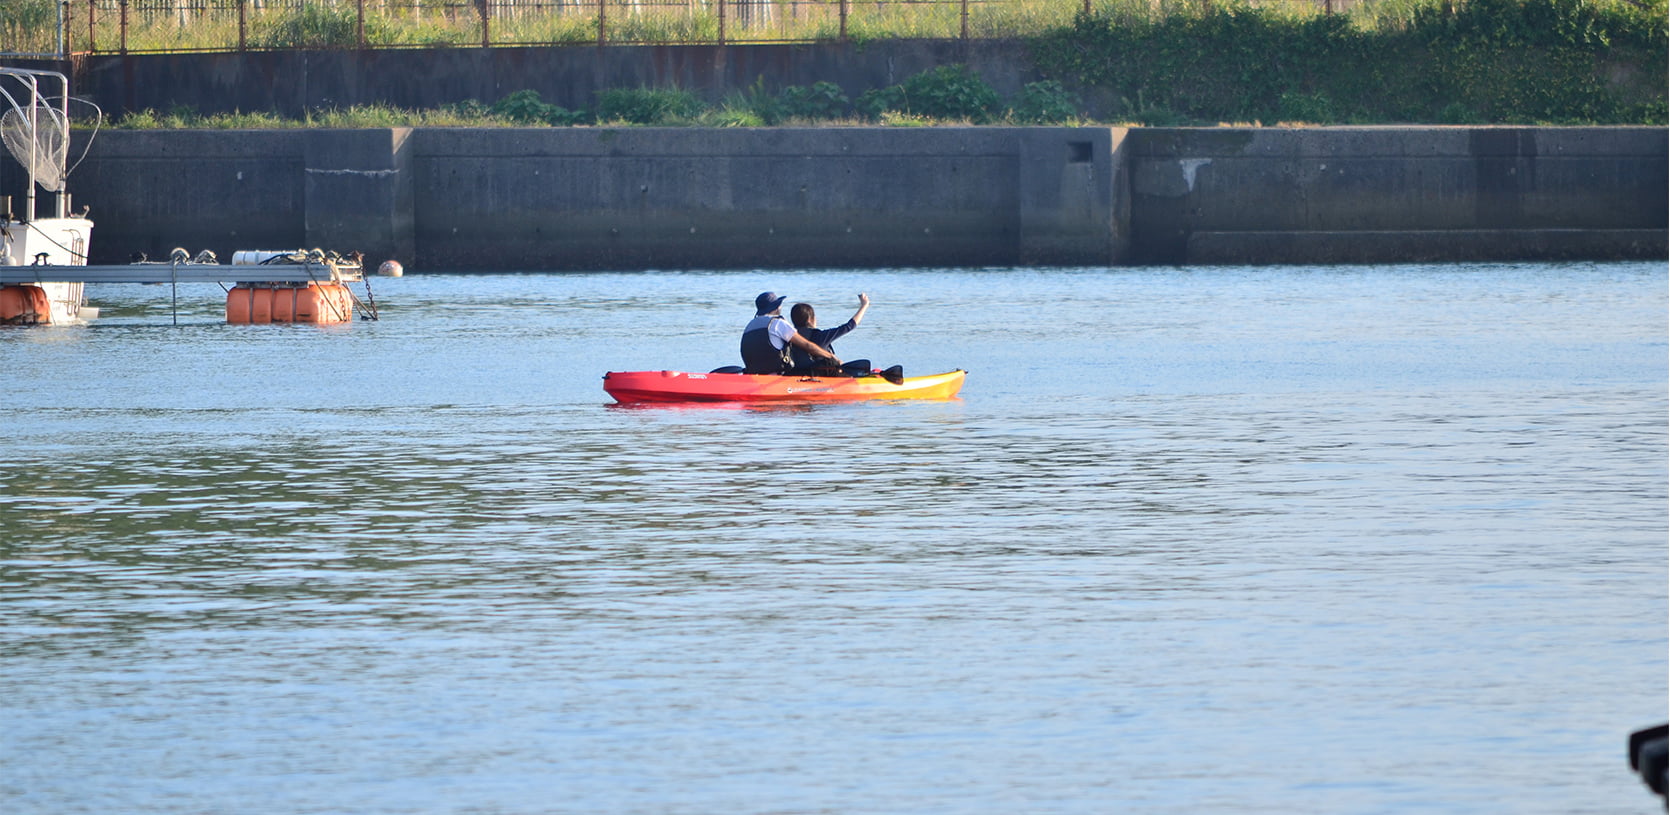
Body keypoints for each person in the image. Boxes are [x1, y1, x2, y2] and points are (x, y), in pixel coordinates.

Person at [740, 291, 840, 375]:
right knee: (828, 363)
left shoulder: (750, 325)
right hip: (778, 375)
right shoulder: (778, 323)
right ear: (777, 307)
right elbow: (807, 345)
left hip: (754, 373)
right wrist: (831, 356)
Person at [790, 293, 871, 374]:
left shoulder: (788, 336)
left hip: (796, 373)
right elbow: (849, 326)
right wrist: (864, 305)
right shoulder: (821, 336)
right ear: (809, 320)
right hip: (820, 375)